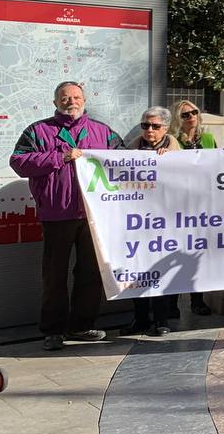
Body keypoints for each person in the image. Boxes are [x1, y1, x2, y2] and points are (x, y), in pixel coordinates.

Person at [10, 82, 123, 351]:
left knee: (91, 273)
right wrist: (61, 156)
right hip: (56, 213)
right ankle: (53, 330)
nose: (70, 101)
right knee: (54, 275)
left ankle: (82, 326)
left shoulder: (102, 131)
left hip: (94, 215)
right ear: (55, 102)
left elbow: (125, 160)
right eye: (64, 97)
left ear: (84, 100)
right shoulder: (38, 131)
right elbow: (19, 162)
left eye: (75, 97)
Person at [121, 107, 180, 337]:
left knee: (162, 271)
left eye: (155, 126)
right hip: (136, 222)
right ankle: (141, 318)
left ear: (165, 128)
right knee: (136, 272)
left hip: (164, 222)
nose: (150, 130)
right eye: (145, 125)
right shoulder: (131, 149)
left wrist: (170, 161)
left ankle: (162, 319)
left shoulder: (175, 150)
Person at [170, 99, 218, 316]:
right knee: (174, 251)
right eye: (185, 114)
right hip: (178, 203)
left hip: (203, 202)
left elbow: (218, 164)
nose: (191, 117)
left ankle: (197, 300)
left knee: (197, 253)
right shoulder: (172, 140)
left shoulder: (207, 138)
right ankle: (171, 304)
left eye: (194, 112)